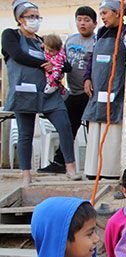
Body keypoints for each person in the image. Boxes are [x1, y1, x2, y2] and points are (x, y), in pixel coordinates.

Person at [2, 0, 80, 184]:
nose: (35, 20)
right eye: (30, 16)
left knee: (64, 125)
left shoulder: (41, 41)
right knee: (25, 134)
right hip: (24, 92)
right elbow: (17, 55)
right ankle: (26, 174)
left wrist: (58, 65)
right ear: (19, 18)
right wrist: (44, 65)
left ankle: (70, 167)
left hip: (48, 93)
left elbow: (64, 63)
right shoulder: (10, 35)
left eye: (37, 16)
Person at [38, 6, 97, 174]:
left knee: (88, 129)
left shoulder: (97, 41)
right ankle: (60, 162)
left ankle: (92, 165)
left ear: (94, 23)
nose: (82, 23)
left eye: (87, 20)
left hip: (89, 93)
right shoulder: (70, 40)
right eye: (79, 20)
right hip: (73, 92)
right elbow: (60, 60)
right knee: (68, 127)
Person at [82, 0, 126, 179]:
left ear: (117, 13)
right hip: (97, 89)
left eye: (106, 13)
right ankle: (93, 171)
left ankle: (109, 171)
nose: (103, 18)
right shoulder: (101, 33)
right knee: (95, 130)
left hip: (115, 89)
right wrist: (87, 77)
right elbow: (92, 58)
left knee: (112, 128)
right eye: (101, 14)